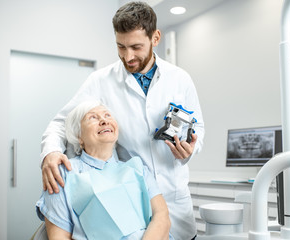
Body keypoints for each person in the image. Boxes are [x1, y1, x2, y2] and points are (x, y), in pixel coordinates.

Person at [40, 2, 205, 239]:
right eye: (121, 46)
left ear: (155, 37)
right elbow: (60, 122)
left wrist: (189, 149)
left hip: (173, 199)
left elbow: (197, 126)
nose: (128, 56)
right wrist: (50, 153)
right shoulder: (100, 80)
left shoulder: (180, 79)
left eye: (136, 47)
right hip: (131, 203)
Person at [36, 101, 172, 239]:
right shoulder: (63, 173)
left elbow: (162, 217)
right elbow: (59, 237)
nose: (104, 121)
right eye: (92, 117)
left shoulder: (138, 169)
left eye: (107, 115)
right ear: (79, 137)